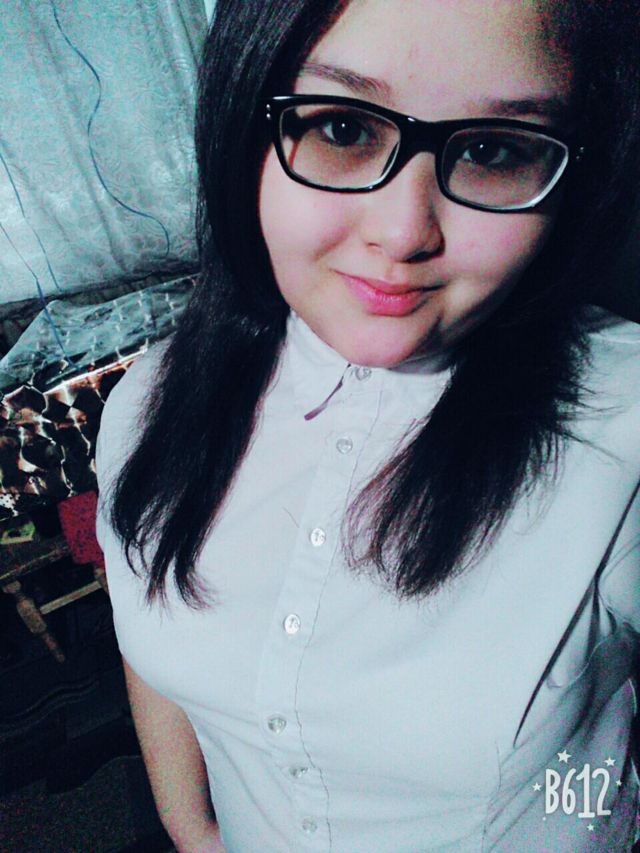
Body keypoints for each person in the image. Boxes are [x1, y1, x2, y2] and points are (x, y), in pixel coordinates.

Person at [95, 1, 640, 850]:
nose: (403, 232)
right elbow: (151, 619)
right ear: (242, 123)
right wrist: (191, 823)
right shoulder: (152, 398)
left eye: (494, 151)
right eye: (342, 129)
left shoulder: (619, 426)